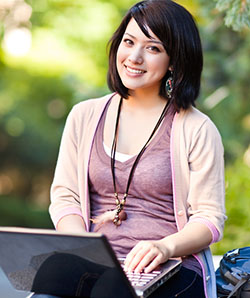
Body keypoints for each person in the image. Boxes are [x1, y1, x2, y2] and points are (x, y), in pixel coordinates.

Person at [35, 1, 226, 297]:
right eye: (129, 42)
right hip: (99, 262)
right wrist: (84, 248)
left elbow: (209, 218)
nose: (134, 57)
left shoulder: (196, 128)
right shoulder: (84, 116)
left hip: (171, 267)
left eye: (153, 48)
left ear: (174, 60)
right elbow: (66, 196)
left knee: (111, 288)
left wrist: (165, 246)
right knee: (54, 270)